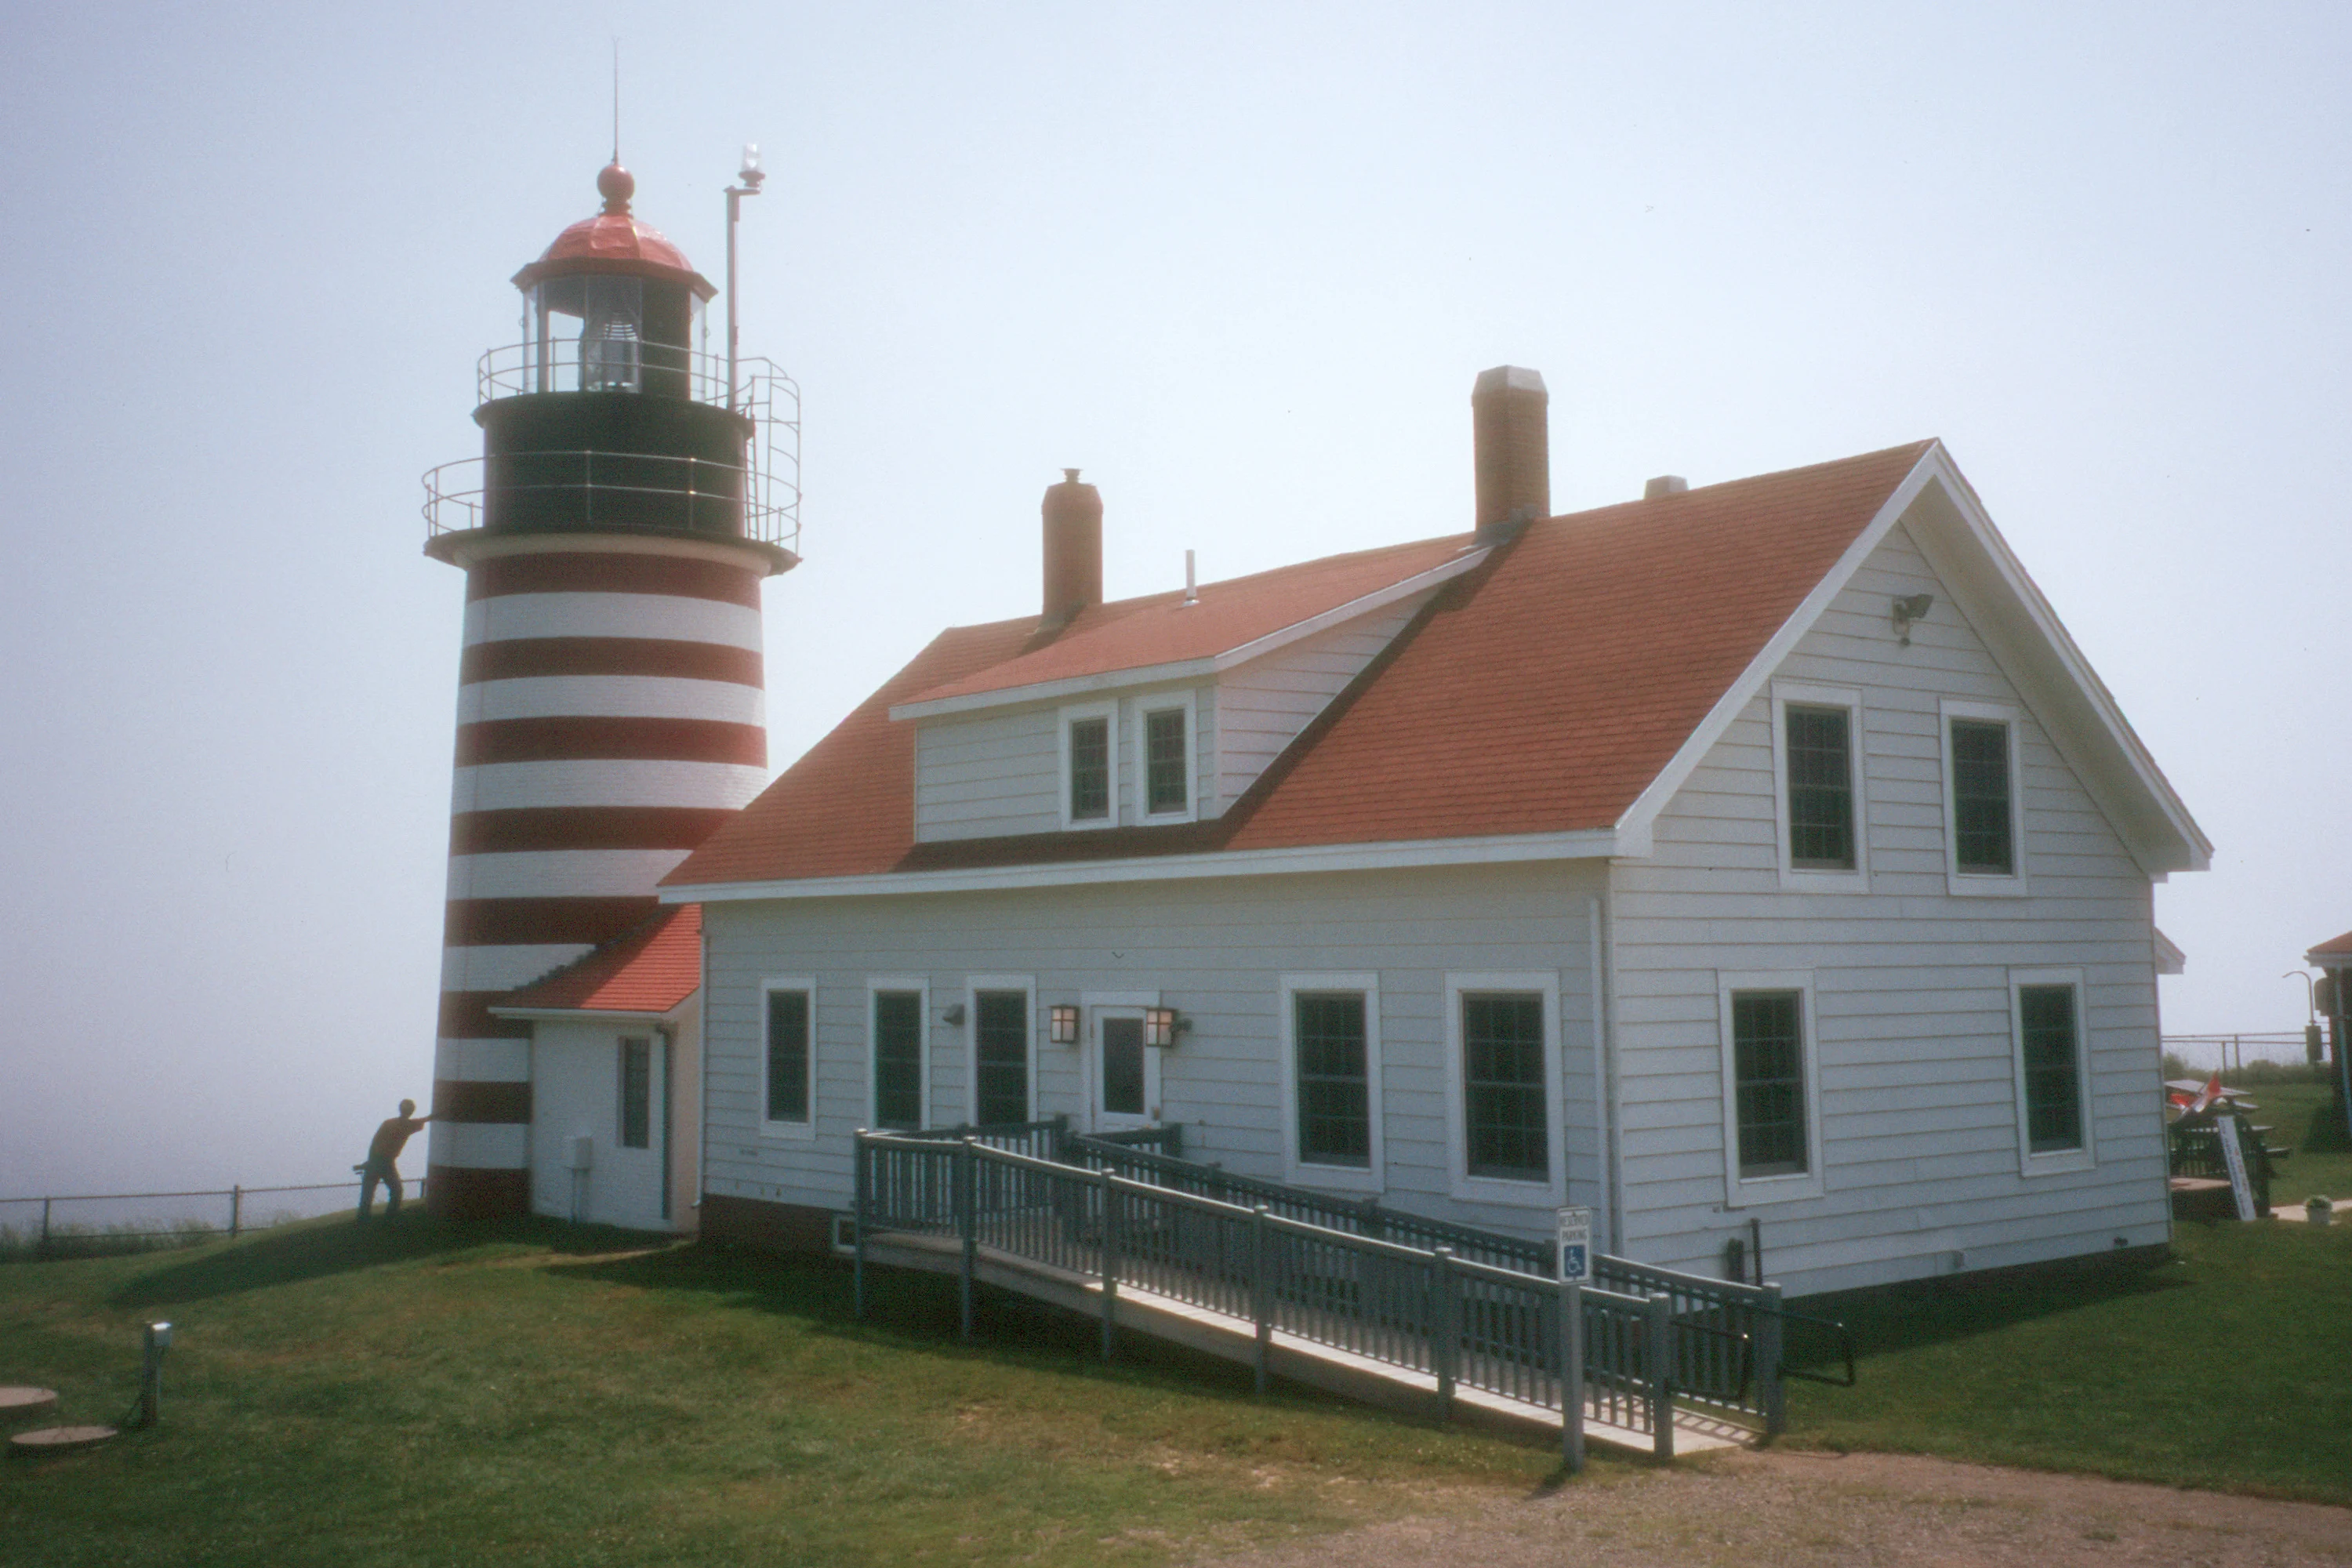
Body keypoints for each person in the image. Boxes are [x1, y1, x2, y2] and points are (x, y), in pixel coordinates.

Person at [357, 1099, 430, 1221]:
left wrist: (369, 1162)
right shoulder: (409, 1125)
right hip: (385, 1162)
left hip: (377, 1161)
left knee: (368, 1193)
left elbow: (375, 1143)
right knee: (396, 1191)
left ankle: (364, 1219)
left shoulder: (390, 1123)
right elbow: (425, 1119)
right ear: (411, 1112)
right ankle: (390, 1218)